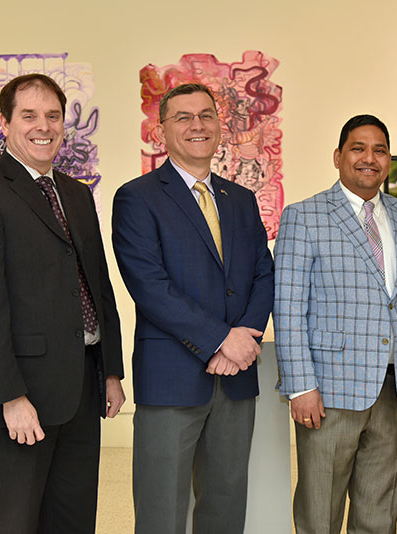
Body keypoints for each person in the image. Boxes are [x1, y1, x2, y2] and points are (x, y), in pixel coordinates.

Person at [0, 73, 125, 533]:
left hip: (82, 389)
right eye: (28, 115)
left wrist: (110, 370)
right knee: (17, 523)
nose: (43, 126)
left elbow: (97, 288)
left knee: (73, 520)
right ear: (4, 123)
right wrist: (9, 395)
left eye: (53, 115)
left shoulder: (78, 194)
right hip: (20, 394)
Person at [112, 83, 274, 534]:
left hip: (237, 379)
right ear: (160, 129)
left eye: (206, 115)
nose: (197, 125)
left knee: (225, 506)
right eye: (183, 116)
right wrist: (222, 339)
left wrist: (245, 336)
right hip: (171, 379)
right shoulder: (137, 197)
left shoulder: (239, 200)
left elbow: (264, 273)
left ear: (219, 126)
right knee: (161, 509)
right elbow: (149, 285)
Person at [274, 114, 397, 533]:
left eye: (379, 150)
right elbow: (287, 306)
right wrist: (300, 385)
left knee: (380, 511)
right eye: (358, 148)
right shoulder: (303, 216)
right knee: (319, 512)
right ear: (338, 156)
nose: (369, 158)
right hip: (328, 390)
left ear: (389, 161)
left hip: (393, 388)